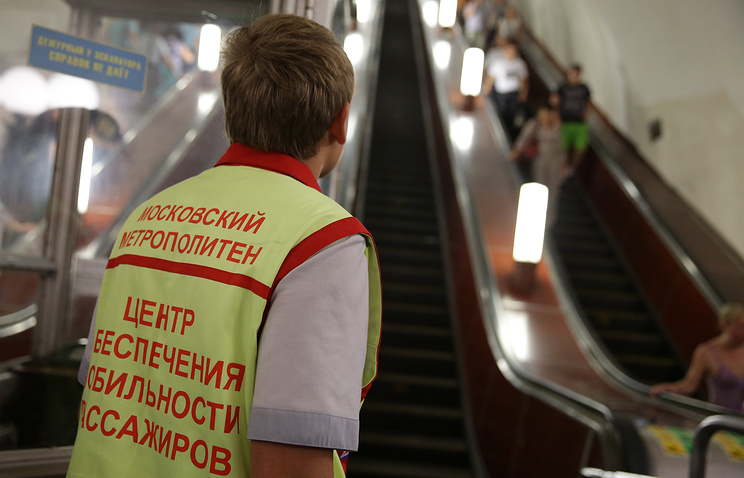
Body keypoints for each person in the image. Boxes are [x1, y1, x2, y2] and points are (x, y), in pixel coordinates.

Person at [67, 14, 382, 478]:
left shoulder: (145, 220)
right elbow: (290, 464)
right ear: (341, 120)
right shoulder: (321, 243)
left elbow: (106, 390)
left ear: (230, 110)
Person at [651, 303, 744, 411]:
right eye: (740, 326)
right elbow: (688, 386)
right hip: (718, 416)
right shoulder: (706, 352)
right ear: (724, 324)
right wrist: (666, 389)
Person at [510, 105, 566, 227]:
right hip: (539, 159)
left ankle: (549, 220)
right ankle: (537, 218)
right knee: (540, 185)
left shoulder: (559, 126)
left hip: (555, 160)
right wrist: (516, 152)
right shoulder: (535, 124)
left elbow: (562, 148)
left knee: (553, 189)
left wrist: (563, 165)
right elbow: (524, 138)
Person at [483, 37, 529, 141]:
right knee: (502, 115)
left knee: (513, 116)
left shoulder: (520, 64)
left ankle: (511, 136)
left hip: (514, 93)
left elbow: (524, 80)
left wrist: (524, 93)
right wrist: (486, 91)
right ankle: (501, 136)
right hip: (501, 94)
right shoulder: (498, 63)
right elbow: (490, 79)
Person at [550, 63, 591, 176]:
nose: (574, 76)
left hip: (579, 122)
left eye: (576, 74)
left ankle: (570, 169)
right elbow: (554, 101)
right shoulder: (562, 87)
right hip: (565, 121)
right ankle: (561, 170)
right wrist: (556, 115)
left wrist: (586, 112)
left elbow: (588, 102)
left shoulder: (584, 88)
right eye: (572, 74)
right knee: (562, 148)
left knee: (581, 147)